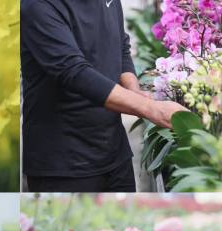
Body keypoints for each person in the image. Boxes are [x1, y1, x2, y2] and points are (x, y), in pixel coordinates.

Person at [21, 0, 187, 192]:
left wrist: (135, 91)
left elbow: (121, 46)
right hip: (64, 164)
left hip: (115, 155)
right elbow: (74, 73)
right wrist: (153, 110)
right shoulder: (37, 5)